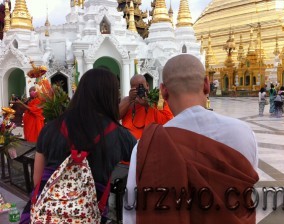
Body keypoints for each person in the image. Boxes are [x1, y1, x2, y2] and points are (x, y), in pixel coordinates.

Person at [123, 54, 259, 224]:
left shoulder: (146, 147)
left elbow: (132, 212)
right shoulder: (244, 134)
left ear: (164, 91)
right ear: (207, 85)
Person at [20, 68, 136, 224]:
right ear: (112, 96)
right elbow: (144, 165)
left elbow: (37, 179)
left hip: (45, 214)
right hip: (87, 215)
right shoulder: (120, 135)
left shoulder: (51, 128)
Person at [120, 75, 173, 139]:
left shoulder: (159, 99)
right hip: (130, 142)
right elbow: (116, 116)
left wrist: (148, 106)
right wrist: (130, 99)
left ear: (147, 85)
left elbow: (167, 121)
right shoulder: (128, 101)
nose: (139, 91)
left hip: (151, 141)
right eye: (135, 89)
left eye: (140, 87)